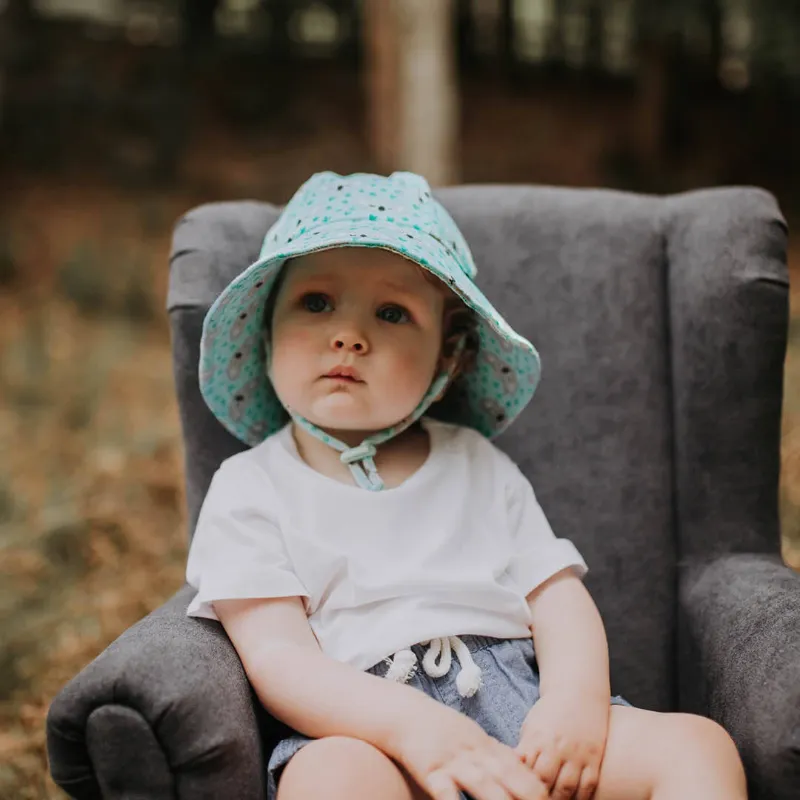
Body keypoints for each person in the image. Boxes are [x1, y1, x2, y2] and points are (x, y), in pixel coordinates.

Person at [185, 171, 747, 800]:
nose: (348, 335)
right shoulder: (249, 487)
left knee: (697, 747)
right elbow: (280, 661)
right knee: (327, 780)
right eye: (315, 302)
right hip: (365, 731)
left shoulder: (477, 464)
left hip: (523, 711)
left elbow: (557, 598)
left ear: (446, 361)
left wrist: (574, 705)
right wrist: (413, 727)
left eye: (392, 312)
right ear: (265, 332)